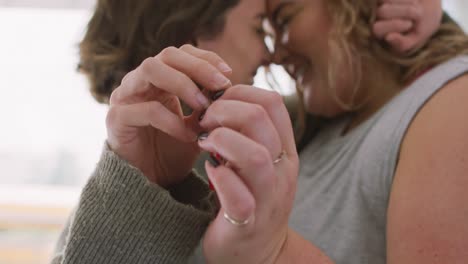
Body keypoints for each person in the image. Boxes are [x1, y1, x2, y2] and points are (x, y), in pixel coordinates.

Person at [50, 0, 447, 263]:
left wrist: (425, 14)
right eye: (261, 27)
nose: (272, 52)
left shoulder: (288, 127)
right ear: (197, 32)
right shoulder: (133, 178)